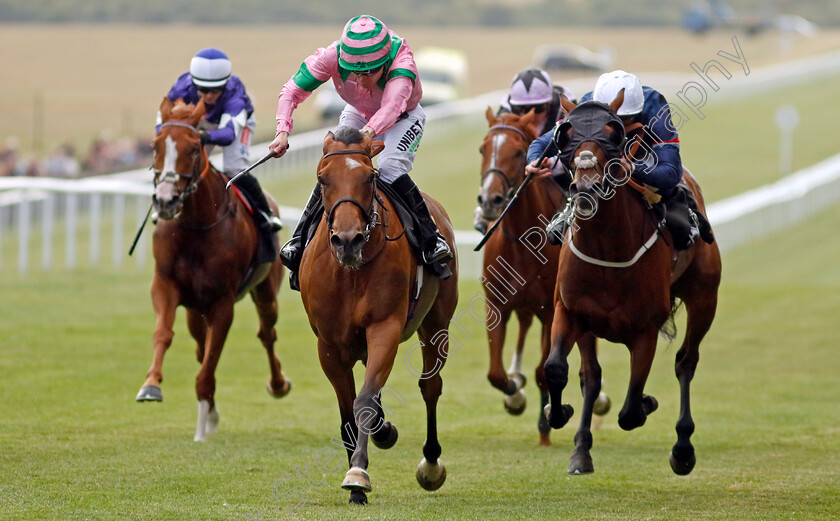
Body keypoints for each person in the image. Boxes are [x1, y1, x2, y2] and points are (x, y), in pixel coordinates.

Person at [269, 15, 453, 289]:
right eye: (354, 72)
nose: (361, 79)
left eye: (369, 72)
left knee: (390, 168)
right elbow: (291, 90)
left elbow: (391, 108)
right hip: (358, 112)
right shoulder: (331, 56)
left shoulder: (402, 63)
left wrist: (367, 133)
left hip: (403, 116)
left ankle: (431, 237)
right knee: (335, 169)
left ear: (384, 63)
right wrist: (282, 130)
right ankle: (299, 239)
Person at [527, 69, 712, 250]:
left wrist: (633, 168)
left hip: (642, 154)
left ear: (638, 112)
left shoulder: (656, 109)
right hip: (602, 159)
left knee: (669, 196)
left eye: (626, 118)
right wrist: (533, 161)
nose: (621, 126)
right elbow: (542, 143)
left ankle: (686, 212)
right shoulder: (586, 110)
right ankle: (569, 209)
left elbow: (671, 172)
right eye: (613, 120)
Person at [157, 47, 282, 232]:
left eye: (215, 90)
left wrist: (200, 137)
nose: (208, 95)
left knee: (234, 168)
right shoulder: (181, 88)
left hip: (234, 125)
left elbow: (228, 134)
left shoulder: (235, 95)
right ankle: (168, 204)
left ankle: (264, 212)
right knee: (184, 164)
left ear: (225, 84)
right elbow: (162, 125)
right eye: (203, 89)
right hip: (199, 124)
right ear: (194, 83)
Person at [473, 66, 575, 233]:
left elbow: (573, 146)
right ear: (514, 105)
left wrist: (551, 164)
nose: (530, 114)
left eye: (538, 108)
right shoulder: (507, 106)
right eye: (522, 109)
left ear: (549, 104)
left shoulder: (567, 106)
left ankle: (575, 209)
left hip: (559, 162)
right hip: (525, 163)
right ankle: (485, 203)